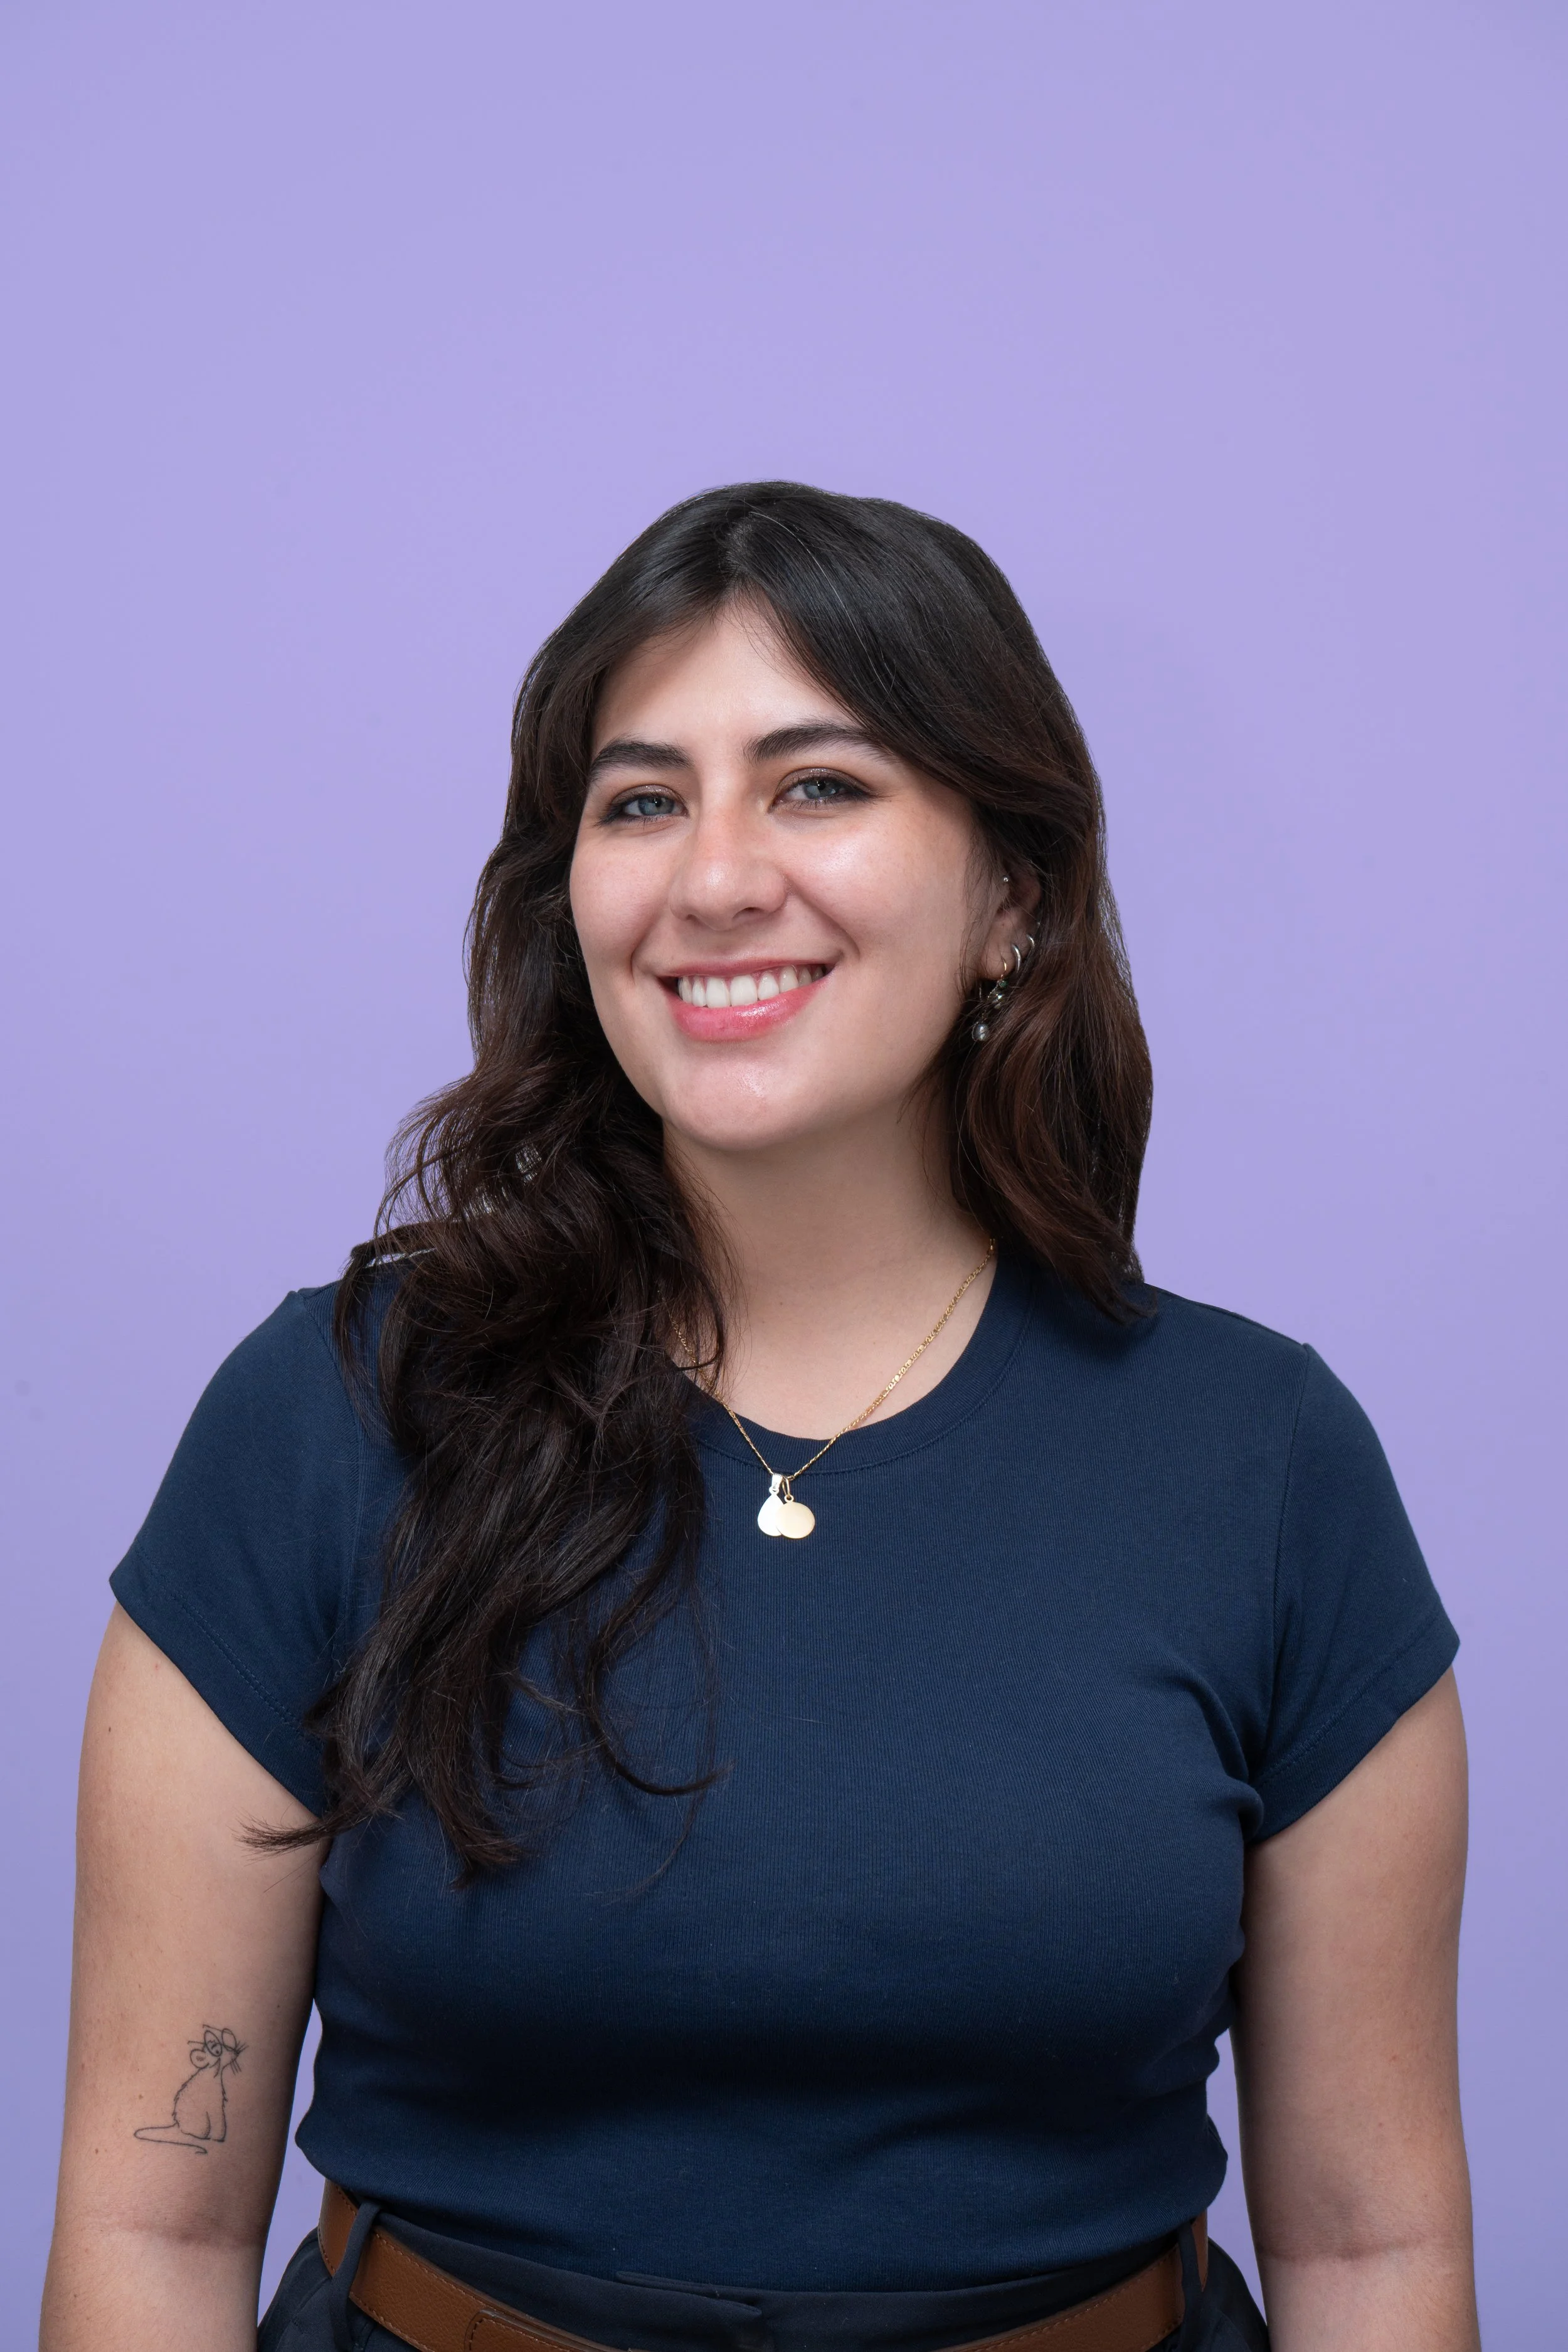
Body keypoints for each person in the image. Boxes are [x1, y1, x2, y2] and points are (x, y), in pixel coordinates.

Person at [41, 484, 1478, 2352]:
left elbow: (1372, 2252)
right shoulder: (335, 1416)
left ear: (1011, 900)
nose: (715, 875)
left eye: (818, 784)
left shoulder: (1260, 1460)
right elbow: (153, 2219)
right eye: (641, 799)